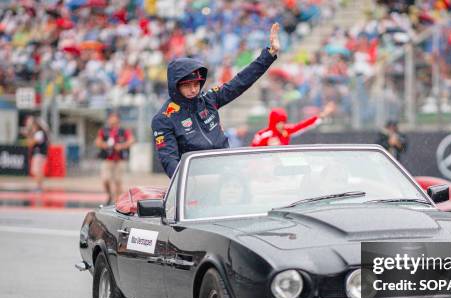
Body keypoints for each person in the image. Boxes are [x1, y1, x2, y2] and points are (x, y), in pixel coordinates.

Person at [153, 23, 281, 178]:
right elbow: (169, 161)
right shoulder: (164, 118)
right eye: (187, 85)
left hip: (227, 174)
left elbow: (240, 82)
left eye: (196, 84)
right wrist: (188, 185)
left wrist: (269, 55)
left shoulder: (208, 100)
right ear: (175, 86)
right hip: (196, 181)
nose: (194, 89)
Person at [250, 102, 335, 147]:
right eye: (279, 123)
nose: (281, 125)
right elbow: (253, 154)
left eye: (283, 122)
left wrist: (322, 115)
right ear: (273, 122)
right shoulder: (262, 135)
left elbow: (303, 126)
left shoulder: (286, 130)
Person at [96, 111, 134, 204]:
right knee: (106, 180)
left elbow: (131, 140)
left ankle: (117, 200)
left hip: (119, 159)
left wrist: (122, 146)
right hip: (107, 159)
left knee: (118, 181)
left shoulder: (123, 131)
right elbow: (98, 142)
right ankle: (109, 194)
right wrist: (104, 145)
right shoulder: (103, 130)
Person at [24, 116, 49, 192]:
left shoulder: (39, 133)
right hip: (40, 154)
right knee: (37, 171)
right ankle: (39, 186)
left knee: (37, 171)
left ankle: (39, 187)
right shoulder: (39, 133)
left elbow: (31, 143)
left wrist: (28, 135)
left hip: (39, 154)